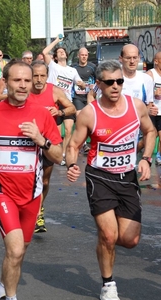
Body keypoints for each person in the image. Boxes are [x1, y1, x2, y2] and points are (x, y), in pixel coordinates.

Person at [0, 59, 63, 300]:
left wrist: (42, 141)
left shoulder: (42, 115)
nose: (22, 85)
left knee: (20, 251)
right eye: (17, 80)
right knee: (16, 249)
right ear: (6, 82)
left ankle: (0, 289)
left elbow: (59, 156)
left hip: (32, 194)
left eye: (27, 81)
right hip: (1, 192)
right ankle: (10, 297)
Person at [66, 60, 156, 300]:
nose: (116, 86)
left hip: (127, 178)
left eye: (119, 81)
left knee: (130, 240)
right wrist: (72, 164)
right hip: (100, 177)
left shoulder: (136, 107)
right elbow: (73, 145)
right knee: (108, 236)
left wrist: (146, 158)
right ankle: (108, 284)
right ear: (99, 84)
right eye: (110, 82)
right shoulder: (89, 113)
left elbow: (150, 131)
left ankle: (106, 241)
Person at [28, 60, 76, 233]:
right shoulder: (25, 91)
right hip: (28, 142)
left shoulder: (55, 91)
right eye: (35, 76)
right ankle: (28, 210)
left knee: (44, 180)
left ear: (47, 76)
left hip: (49, 142)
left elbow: (72, 108)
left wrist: (59, 112)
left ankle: (39, 211)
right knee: (28, 179)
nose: (39, 79)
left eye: (42, 75)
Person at [43, 35, 86, 165]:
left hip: (67, 103)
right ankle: (55, 152)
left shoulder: (72, 70)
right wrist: (57, 41)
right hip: (55, 102)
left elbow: (80, 83)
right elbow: (45, 52)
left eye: (63, 51)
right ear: (55, 57)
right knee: (56, 131)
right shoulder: (53, 66)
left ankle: (63, 154)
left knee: (68, 130)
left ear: (66, 55)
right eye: (59, 52)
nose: (62, 52)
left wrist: (81, 84)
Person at [72, 47, 97, 153]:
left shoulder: (92, 67)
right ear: (78, 56)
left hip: (89, 96)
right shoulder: (73, 68)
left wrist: (93, 86)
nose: (84, 57)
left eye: (86, 55)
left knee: (90, 118)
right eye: (82, 55)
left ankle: (93, 140)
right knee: (79, 116)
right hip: (78, 96)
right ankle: (84, 144)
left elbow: (98, 80)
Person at [146, 50, 161, 165]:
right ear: (156, 61)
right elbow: (145, 92)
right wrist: (153, 92)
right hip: (152, 111)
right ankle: (140, 153)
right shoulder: (150, 74)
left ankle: (159, 156)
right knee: (151, 134)